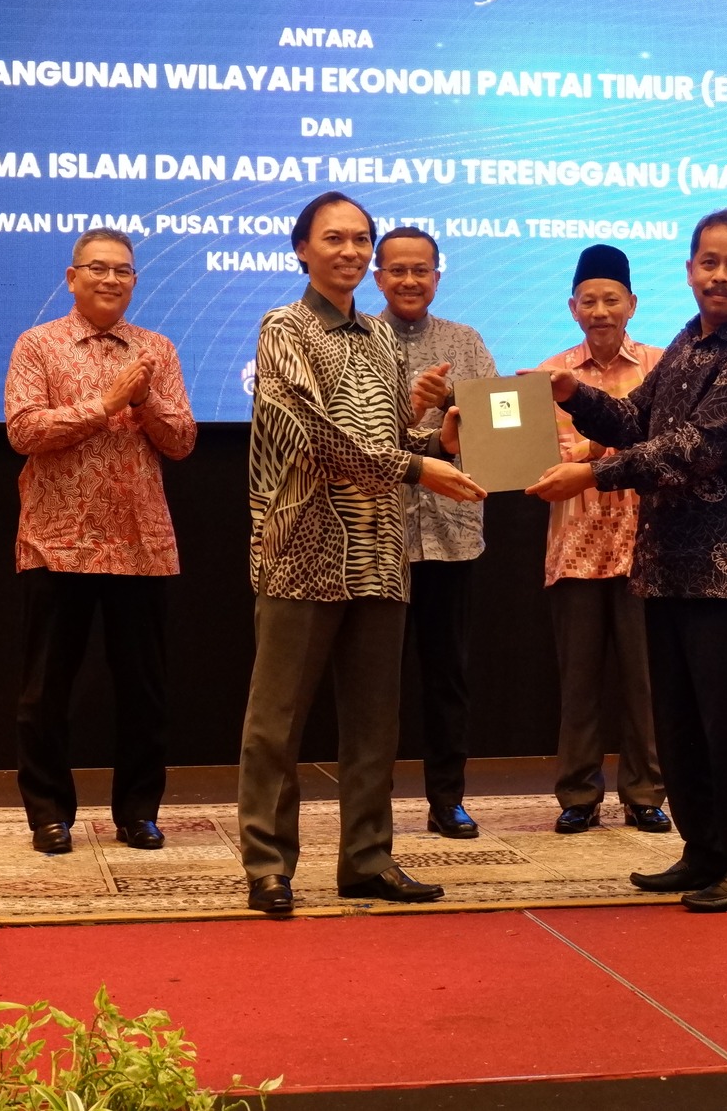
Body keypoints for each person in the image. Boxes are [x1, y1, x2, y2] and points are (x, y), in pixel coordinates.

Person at [527, 208, 727, 913]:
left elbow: (691, 449)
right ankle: (704, 850)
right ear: (688, 270)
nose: (720, 276)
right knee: (682, 725)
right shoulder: (686, 343)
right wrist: (573, 395)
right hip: (669, 566)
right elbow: (634, 421)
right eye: (709, 262)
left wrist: (589, 475)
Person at [237, 191, 487, 917]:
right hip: (301, 549)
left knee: (375, 722)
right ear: (302, 249)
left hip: (380, 551)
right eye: (334, 238)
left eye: (359, 239)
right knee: (277, 722)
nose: (349, 251)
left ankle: (368, 859)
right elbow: (313, 435)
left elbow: (383, 439)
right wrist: (416, 467)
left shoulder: (379, 337)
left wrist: (433, 441)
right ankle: (268, 865)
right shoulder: (283, 328)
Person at [6, 227, 196, 856]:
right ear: (72, 277)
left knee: (144, 692)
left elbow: (182, 441)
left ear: (134, 281)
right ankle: (48, 814)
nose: (111, 279)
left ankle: (138, 813)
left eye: (123, 270)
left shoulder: (156, 350)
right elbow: (24, 431)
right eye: (98, 268)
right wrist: (104, 403)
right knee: (46, 691)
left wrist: (145, 404)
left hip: (141, 542)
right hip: (57, 540)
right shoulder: (38, 344)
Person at [531, 245, 668, 835]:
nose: (601, 311)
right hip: (575, 545)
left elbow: (662, 445)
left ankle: (646, 793)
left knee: (645, 681)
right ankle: (578, 795)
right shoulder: (549, 376)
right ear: (573, 308)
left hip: (647, 547)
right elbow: (538, 457)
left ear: (632, 304)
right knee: (579, 682)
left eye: (612, 300)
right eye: (589, 301)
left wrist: (588, 449)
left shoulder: (662, 367)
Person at [374, 225, 498, 839]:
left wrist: (458, 406)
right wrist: (409, 405)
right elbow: (354, 440)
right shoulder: (359, 343)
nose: (409, 280)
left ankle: (447, 799)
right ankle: (371, 806)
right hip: (377, 538)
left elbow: (499, 433)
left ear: (437, 276)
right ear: (378, 278)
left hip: (452, 536)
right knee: (375, 682)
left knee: (447, 677)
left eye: (420, 270)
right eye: (397, 270)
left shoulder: (465, 342)